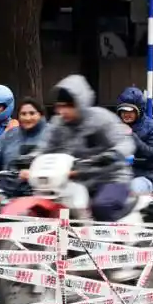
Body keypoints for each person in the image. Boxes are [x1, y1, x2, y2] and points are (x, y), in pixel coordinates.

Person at [25, 74, 135, 222]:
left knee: (102, 207)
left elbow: (125, 142)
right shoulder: (57, 124)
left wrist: (113, 155)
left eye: (68, 106)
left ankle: (117, 229)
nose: (63, 111)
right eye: (60, 106)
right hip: (76, 180)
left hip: (111, 178)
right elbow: (44, 147)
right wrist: (30, 159)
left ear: (80, 103)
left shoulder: (101, 119)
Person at [116, 86, 153, 194]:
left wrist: (133, 137)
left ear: (139, 110)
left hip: (145, 175)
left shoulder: (152, 127)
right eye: (123, 111)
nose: (126, 114)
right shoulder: (115, 126)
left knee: (128, 191)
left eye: (130, 111)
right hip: (119, 174)